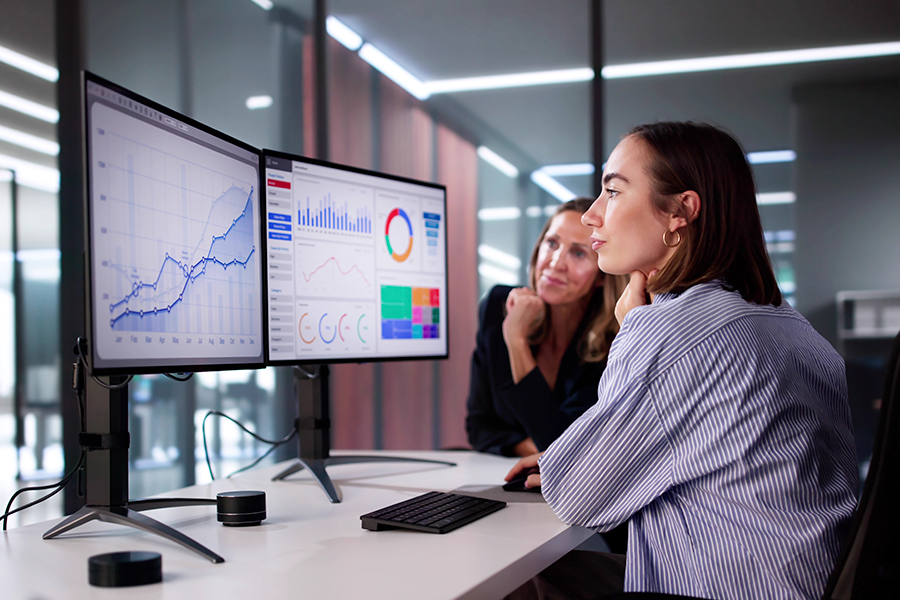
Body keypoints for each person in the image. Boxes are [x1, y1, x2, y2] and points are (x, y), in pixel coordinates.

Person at [506, 122, 858, 600]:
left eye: (612, 192)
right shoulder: (791, 327)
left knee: (512, 576)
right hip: (800, 581)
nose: (592, 215)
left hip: (726, 590)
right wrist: (576, 459)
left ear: (680, 211)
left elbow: (576, 496)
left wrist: (635, 329)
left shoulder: (673, 333)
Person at [466, 198, 627, 457]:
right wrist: (534, 449)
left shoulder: (613, 343)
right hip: (506, 475)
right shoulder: (499, 306)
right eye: (552, 243)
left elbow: (563, 444)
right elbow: (479, 426)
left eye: (578, 253)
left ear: (601, 275)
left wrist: (516, 341)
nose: (555, 262)